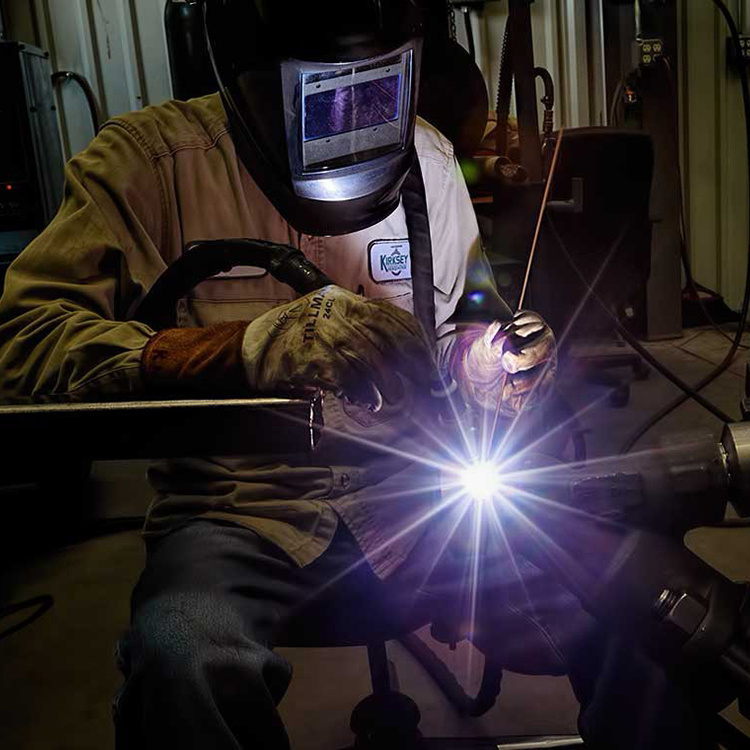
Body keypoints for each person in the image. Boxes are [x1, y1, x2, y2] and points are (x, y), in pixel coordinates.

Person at [0, 1, 719, 747]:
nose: (351, 123)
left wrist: (483, 358)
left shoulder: (431, 160)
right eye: (324, 96)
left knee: (648, 600)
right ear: (248, 73)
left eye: (377, 92)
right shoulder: (147, 166)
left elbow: (467, 316)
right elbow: (25, 349)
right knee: (181, 654)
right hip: (241, 516)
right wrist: (239, 350)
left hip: (422, 499)